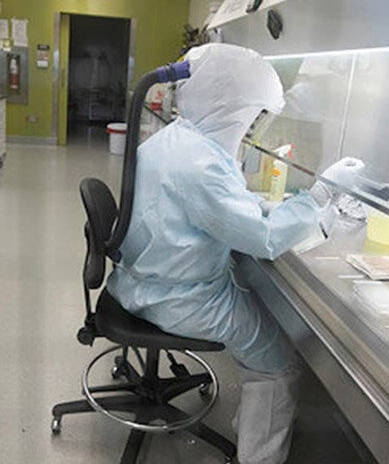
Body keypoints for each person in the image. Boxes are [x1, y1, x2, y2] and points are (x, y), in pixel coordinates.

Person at [105, 43, 364, 464]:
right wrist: (319, 196)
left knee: (256, 312)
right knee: (278, 364)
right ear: (233, 108)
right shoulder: (201, 164)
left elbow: (223, 207)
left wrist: (272, 206)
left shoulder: (175, 139)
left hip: (141, 280)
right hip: (181, 299)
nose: (253, 126)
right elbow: (263, 238)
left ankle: (253, 431)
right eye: (253, 115)